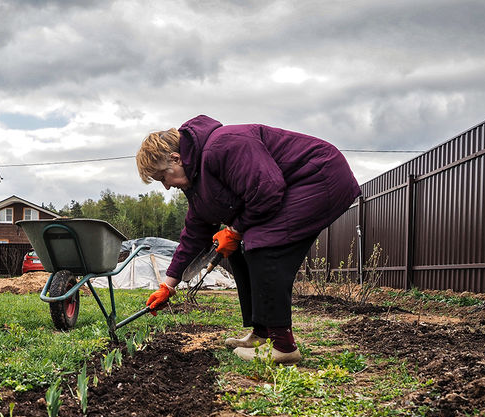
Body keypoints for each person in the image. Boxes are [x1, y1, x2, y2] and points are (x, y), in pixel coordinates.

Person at [137, 115, 361, 365]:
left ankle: (283, 347)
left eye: (162, 178)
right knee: (240, 248)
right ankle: (261, 333)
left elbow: (267, 190)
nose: (166, 187)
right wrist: (168, 284)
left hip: (319, 176)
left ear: (176, 159)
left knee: (264, 244)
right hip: (294, 185)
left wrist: (235, 229)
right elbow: (194, 234)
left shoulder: (223, 145)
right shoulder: (197, 183)